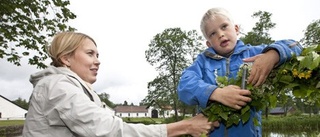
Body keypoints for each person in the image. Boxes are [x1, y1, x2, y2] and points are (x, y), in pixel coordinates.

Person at [22, 32, 220, 137]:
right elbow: (111, 131)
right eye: (90, 54)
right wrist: (185, 126)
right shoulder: (59, 87)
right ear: (66, 58)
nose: (98, 60)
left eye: (98, 55)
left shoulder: (74, 88)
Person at [177, 7, 302, 137]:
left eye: (224, 26)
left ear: (236, 29)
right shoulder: (202, 62)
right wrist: (216, 93)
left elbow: (295, 45)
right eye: (213, 33)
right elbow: (184, 86)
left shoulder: (254, 53)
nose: (220, 34)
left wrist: (273, 55)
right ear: (209, 43)